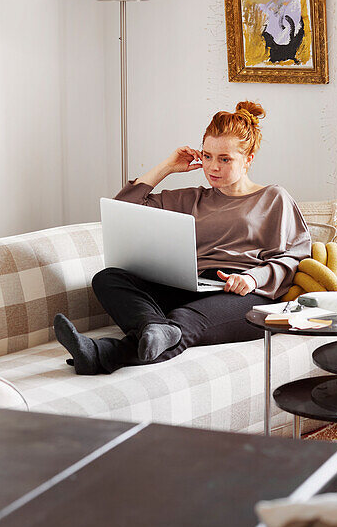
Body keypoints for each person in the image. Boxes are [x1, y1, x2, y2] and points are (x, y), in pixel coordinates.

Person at [53, 101, 311, 374]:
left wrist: (251, 278)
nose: (213, 166)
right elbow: (124, 207)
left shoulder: (273, 198)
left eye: (225, 159)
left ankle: (103, 354)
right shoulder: (192, 198)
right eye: (208, 156)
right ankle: (153, 326)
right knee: (109, 278)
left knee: (183, 320)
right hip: (192, 286)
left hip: (246, 294)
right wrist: (167, 167)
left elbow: (296, 256)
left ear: (248, 159)